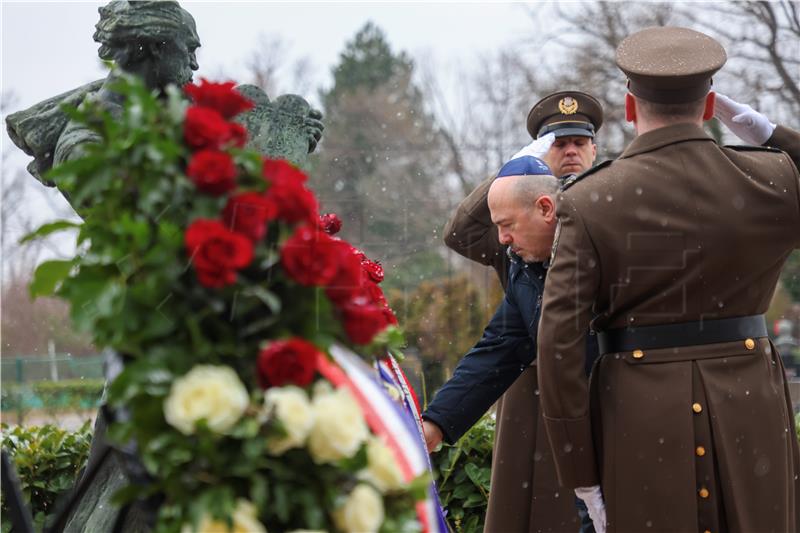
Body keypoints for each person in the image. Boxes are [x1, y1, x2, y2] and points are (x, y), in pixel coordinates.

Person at [537, 26, 800, 533]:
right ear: (710, 107)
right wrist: (772, 136)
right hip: (752, 409)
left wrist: (582, 475)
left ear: (630, 106)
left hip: (640, 416)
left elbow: (558, 344)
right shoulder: (773, 180)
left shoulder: (590, 199)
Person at [440, 91, 603, 533]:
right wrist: (514, 174)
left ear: (595, 148)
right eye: (557, 143)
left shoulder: (614, 211)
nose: (570, 151)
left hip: (607, 395)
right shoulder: (517, 219)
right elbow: (461, 234)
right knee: (537, 511)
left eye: (579, 142)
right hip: (533, 379)